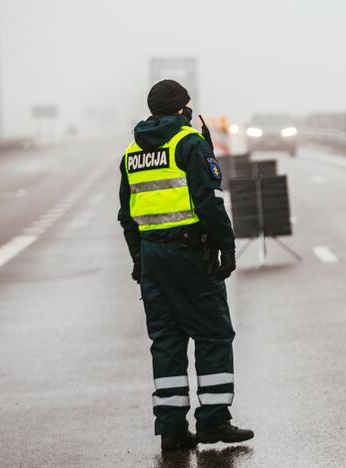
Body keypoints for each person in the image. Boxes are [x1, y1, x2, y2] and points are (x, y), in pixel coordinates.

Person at [118, 79, 254, 450]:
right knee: (212, 333)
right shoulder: (189, 144)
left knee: (166, 340)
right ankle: (212, 421)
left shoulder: (131, 153)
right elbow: (209, 201)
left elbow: (126, 216)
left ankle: (172, 430)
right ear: (181, 108)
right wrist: (226, 246)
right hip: (189, 255)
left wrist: (138, 260)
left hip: (152, 258)